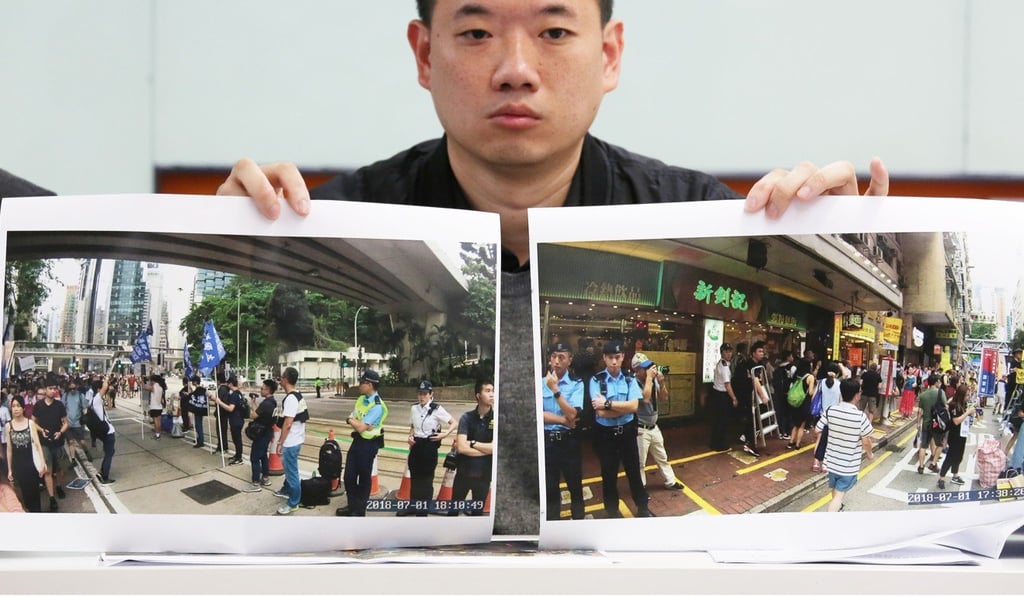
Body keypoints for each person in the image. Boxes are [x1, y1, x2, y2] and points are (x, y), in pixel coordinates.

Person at [216, 0, 890, 534]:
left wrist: (839, 223)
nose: (516, 68)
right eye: (476, 31)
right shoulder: (333, 218)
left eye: (554, 30)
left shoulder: (696, 212)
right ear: (425, 53)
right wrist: (237, 236)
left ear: (609, 54)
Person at [589, 340, 652, 518]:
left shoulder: (629, 378)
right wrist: (620, 409)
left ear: (623, 357)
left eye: (617, 357)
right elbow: (600, 414)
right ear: (604, 358)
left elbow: (633, 407)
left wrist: (608, 403)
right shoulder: (596, 380)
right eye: (610, 358)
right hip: (606, 436)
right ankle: (612, 510)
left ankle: (642, 507)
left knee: (634, 471)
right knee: (609, 474)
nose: (614, 362)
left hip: (627, 433)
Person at [815, 379, 874, 512]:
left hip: (831, 462)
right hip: (848, 466)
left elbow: (817, 429)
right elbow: (866, 440)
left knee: (836, 490)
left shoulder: (831, 410)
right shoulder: (860, 417)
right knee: (838, 496)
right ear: (857, 395)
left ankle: (838, 510)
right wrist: (870, 454)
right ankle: (830, 520)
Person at [542, 342, 585, 520]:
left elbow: (573, 413)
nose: (557, 361)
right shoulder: (539, 383)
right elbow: (537, 414)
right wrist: (562, 420)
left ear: (569, 361)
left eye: (562, 357)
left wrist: (556, 390)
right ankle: (553, 526)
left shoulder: (577, 383)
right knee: (550, 488)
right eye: (554, 357)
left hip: (569, 442)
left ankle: (578, 524)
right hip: (547, 441)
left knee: (575, 486)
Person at [337, 370, 388, 517]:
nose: (359, 385)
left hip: (369, 445)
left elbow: (359, 426)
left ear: (370, 384)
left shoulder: (378, 406)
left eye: (362, 382)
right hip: (357, 441)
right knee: (349, 476)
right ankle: (351, 505)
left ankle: (359, 510)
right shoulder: (361, 399)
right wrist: (353, 421)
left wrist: (355, 422)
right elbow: (352, 418)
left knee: (364, 478)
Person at [632, 352, 684, 491]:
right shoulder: (633, 382)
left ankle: (670, 481)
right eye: (645, 368)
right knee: (640, 463)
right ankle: (640, 488)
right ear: (637, 370)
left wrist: (661, 382)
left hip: (654, 427)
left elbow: (663, 398)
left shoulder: (653, 380)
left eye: (649, 366)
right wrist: (649, 378)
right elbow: (645, 399)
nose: (649, 370)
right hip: (640, 429)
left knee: (662, 456)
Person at [404, 379, 455, 515]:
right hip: (416, 446)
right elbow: (412, 426)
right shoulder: (414, 408)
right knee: (414, 478)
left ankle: (423, 510)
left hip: (429, 446)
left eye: (425, 394)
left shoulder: (437, 409)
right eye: (420, 393)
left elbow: (454, 422)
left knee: (426, 481)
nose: (422, 396)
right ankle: (413, 505)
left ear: (431, 394)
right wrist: (410, 437)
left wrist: (444, 435)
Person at [449, 378, 495, 516]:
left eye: (493, 391)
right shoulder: (466, 418)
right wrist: (487, 450)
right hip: (463, 473)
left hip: (484, 476)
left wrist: (474, 443)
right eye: (487, 391)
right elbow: (461, 448)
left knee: (477, 514)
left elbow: (496, 448)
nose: (492, 394)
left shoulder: (497, 418)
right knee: (453, 511)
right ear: (478, 395)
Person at [5, 395, 47, 512]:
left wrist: (42, 463)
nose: (16, 409)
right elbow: (9, 449)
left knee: (34, 494)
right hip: (18, 466)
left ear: (23, 408)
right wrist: (9, 469)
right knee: (24, 495)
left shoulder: (30, 424)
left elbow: (38, 445)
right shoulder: (8, 426)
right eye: (13, 406)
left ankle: (37, 513)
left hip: (32, 464)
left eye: (18, 406)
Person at [32, 380, 69, 512]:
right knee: (48, 470)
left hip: (58, 443)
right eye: (50, 388)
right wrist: (41, 430)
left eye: (54, 388)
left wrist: (60, 432)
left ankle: (58, 486)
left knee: (60, 470)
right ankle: (52, 498)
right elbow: (33, 422)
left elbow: (65, 423)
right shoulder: (38, 405)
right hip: (44, 443)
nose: (53, 391)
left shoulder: (59, 405)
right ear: (45, 389)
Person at [274, 367, 306, 515]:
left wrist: (280, 442)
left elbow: (288, 423)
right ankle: (286, 490)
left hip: (291, 442)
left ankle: (293, 502)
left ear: (285, 379)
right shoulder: (298, 395)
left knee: (292, 472)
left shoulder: (291, 399)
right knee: (289, 469)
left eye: (281, 377)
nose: (280, 379)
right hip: (297, 439)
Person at [243, 378, 278, 492]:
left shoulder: (266, 404)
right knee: (263, 455)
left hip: (261, 433)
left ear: (268, 390)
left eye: (262, 389)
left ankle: (255, 483)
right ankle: (266, 478)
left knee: (255, 457)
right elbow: (259, 412)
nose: (260, 390)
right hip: (267, 432)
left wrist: (251, 406)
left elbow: (254, 415)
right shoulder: (272, 402)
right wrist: (254, 402)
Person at [936, 384, 972, 490]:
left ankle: (955, 475)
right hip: (955, 435)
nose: (968, 397)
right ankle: (941, 478)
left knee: (959, 456)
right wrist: (968, 413)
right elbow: (956, 421)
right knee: (951, 457)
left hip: (962, 434)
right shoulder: (954, 405)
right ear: (961, 395)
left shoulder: (962, 404)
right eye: (966, 395)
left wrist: (970, 413)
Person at [916, 373, 947, 474]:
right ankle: (933, 463)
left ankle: (921, 466)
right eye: (939, 381)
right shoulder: (940, 393)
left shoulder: (923, 395)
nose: (940, 383)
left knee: (923, 446)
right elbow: (945, 406)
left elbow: (920, 411)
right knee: (941, 444)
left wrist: (918, 423)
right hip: (937, 425)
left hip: (926, 423)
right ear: (936, 382)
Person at [708, 343, 737, 452]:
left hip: (716, 394)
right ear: (721, 353)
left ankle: (714, 442)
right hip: (722, 396)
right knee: (722, 421)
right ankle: (719, 445)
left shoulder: (722, 363)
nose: (729, 354)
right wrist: (734, 398)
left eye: (730, 351)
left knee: (717, 421)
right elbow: (727, 384)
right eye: (726, 352)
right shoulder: (724, 367)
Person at [812, 370, 842, 473]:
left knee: (819, 439)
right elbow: (840, 401)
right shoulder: (838, 384)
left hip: (821, 415)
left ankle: (815, 463)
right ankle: (824, 464)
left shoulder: (821, 382)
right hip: (833, 416)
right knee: (829, 442)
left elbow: (813, 396)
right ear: (836, 373)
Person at [212, 375, 246, 465]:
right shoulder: (238, 393)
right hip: (239, 419)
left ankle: (239, 458)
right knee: (236, 439)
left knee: (237, 440)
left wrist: (220, 402)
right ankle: (237, 455)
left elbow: (230, 408)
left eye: (228, 384)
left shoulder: (234, 395)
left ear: (231, 384)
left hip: (236, 420)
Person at [89, 377, 117, 485]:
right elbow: (105, 387)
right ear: (98, 390)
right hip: (108, 431)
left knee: (109, 451)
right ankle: (104, 476)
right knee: (109, 453)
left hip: (103, 431)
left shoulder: (94, 400)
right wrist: (106, 378)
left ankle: (102, 472)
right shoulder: (97, 399)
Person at [786, 359, 818, 450]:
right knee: (802, 425)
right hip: (804, 403)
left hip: (795, 401)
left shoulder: (796, 374)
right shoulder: (810, 377)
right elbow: (811, 392)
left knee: (795, 424)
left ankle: (791, 441)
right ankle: (797, 444)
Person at [62, 378, 91, 463]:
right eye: (70, 389)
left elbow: (85, 406)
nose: (72, 390)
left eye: (74, 388)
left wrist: (84, 416)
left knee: (82, 442)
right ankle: (73, 460)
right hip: (68, 423)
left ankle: (86, 451)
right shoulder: (65, 396)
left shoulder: (80, 395)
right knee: (71, 442)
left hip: (78, 423)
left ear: (77, 387)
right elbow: (62, 407)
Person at [188, 375, 209, 448]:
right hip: (202, 409)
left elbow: (191, 396)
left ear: (195, 382)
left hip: (198, 410)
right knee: (199, 424)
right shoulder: (204, 389)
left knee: (198, 425)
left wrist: (190, 391)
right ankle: (199, 438)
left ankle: (200, 441)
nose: (192, 382)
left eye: (193, 381)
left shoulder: (197, 390)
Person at [145, 374, 166, 440]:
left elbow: (144, 387)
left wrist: (142, 381)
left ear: (152, 381)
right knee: (159, 421)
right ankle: (158, 433)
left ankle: (157, 435)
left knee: (156, 422)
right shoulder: (160, 387)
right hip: (159, 407)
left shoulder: (153, 387)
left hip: (154, 407)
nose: (150, 382)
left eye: (150, 380)